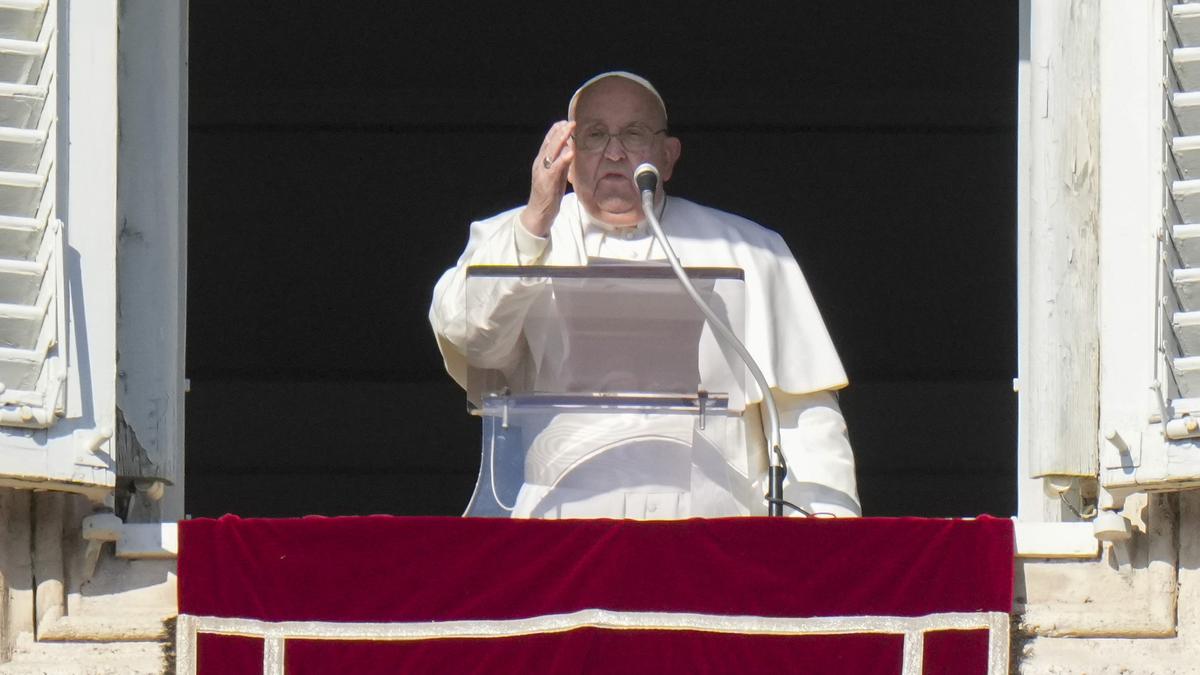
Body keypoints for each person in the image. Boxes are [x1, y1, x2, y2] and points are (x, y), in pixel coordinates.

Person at [430, 71, 860, 518]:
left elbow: (803, 417)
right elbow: (470, 338)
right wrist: (537, 218)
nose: (614, 152)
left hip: (713, 531)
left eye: (633, 134)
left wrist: (826, 536)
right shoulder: (514, 237)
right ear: (567, 153)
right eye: (595, 135)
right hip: (559, 527)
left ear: (668, 156)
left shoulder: (748, 248)